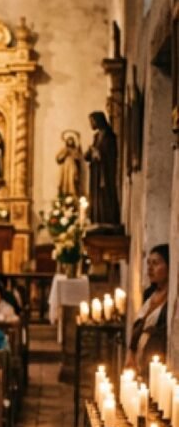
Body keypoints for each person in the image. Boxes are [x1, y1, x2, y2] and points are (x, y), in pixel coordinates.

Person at [127, 243, 169, 374]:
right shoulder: (149, 293)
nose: (150, 268)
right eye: (148, 263)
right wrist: (131, 352)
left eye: (155, 263)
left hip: (156, 360)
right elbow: (138, 324)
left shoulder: (171, 300)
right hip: (139, 356)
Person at [86, 111, 120, 226]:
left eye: (92, 121)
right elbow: (88, 156)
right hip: (96, 172)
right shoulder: (96, 136)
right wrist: (90, 152)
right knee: (96, 197)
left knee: (105, 195)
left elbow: (111, 154)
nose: (91, 124)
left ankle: (107, 220)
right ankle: (97, 220)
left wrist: (99, 154)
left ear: (98, 121)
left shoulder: (109, 136)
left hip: (105, 172)